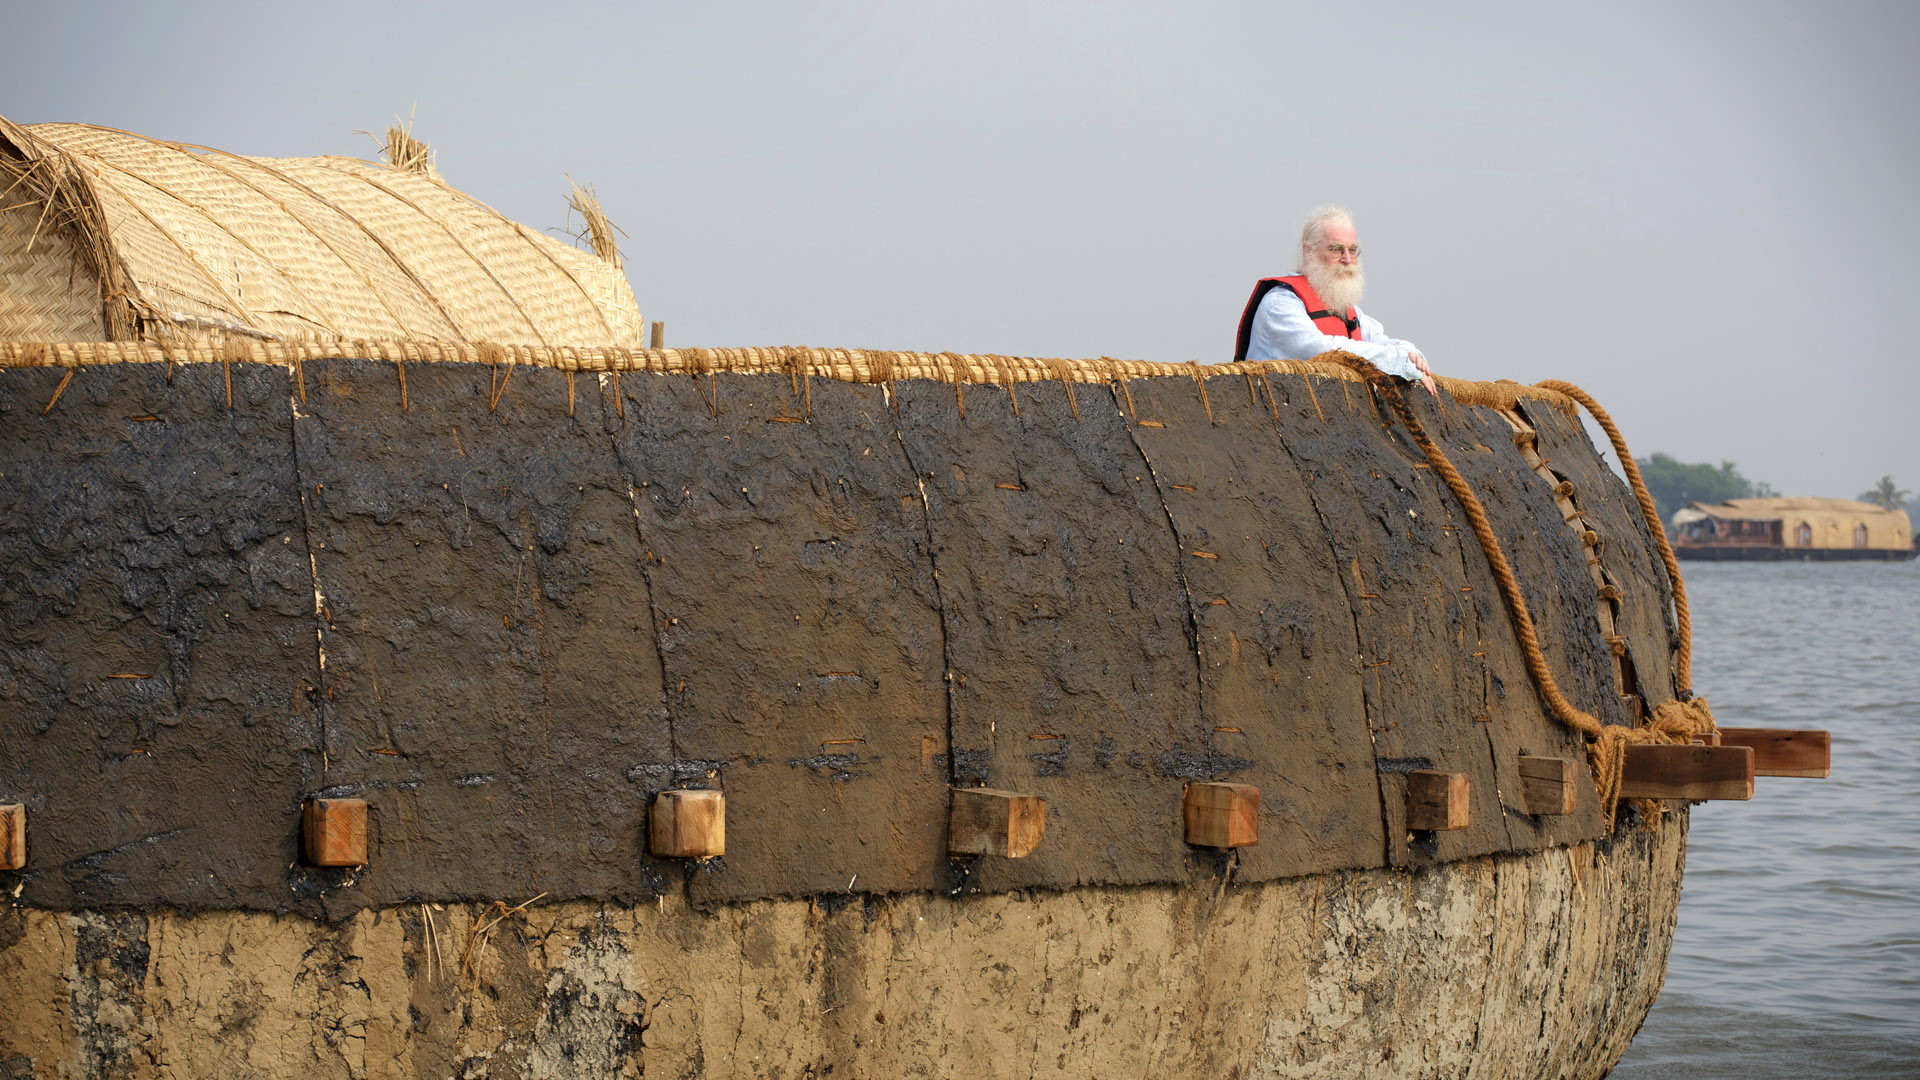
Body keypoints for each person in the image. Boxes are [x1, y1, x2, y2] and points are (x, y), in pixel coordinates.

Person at [1233, 205, 1437, 395]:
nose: (1347, 260)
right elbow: (1318, 349)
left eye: (1353, 250)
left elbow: (1380, 341)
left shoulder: (1347, 309)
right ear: (1309, 251)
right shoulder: (1280, 303)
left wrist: (1411, 355)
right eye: (1336, 250)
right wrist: (1397, 360)